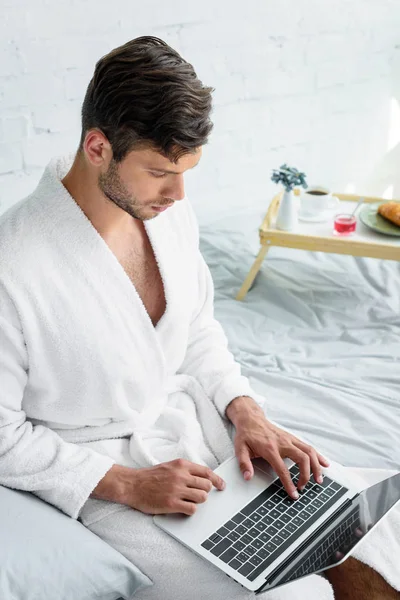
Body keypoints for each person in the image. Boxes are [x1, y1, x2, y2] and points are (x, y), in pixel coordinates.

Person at [0, 36, 398, 600]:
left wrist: (246, 410)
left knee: (366, 530)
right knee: (290, 592)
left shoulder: (162, 213)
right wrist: (129, 484)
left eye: (186, 171)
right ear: (97, 147)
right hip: (112, 473)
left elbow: (198, 331)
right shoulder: (13, 265)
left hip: (206, 429)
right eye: (162, 171)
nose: (179, 194)